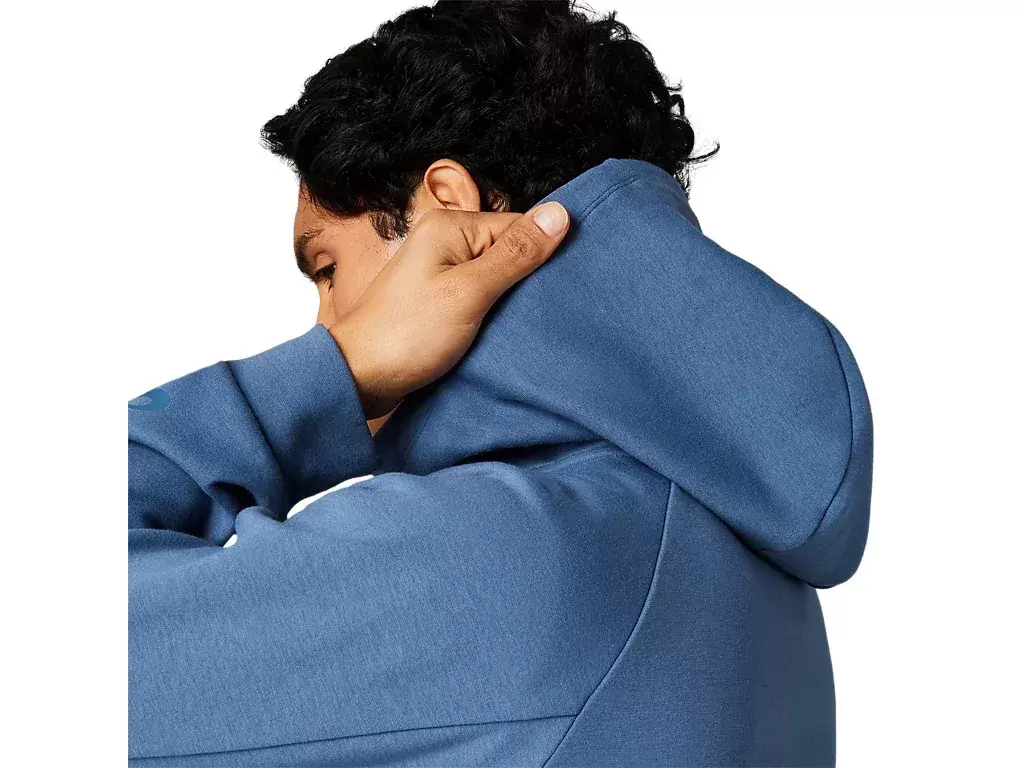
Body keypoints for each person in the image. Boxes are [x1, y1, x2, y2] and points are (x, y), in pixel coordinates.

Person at [128, 2, 873, 765]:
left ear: (447, 209)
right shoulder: (742, 555)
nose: (325, 322)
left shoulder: (487, 561)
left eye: (327, 270)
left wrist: (336, 373)